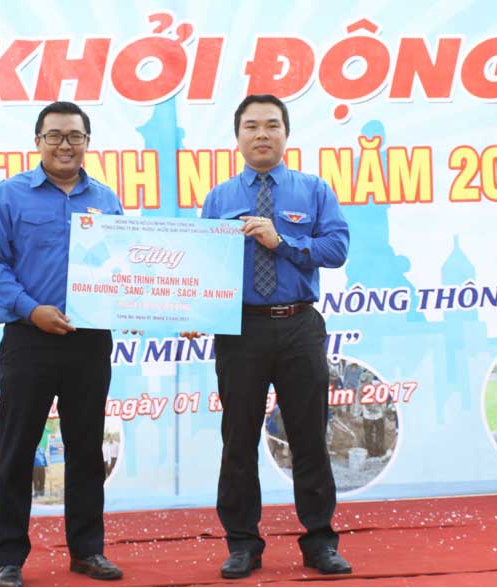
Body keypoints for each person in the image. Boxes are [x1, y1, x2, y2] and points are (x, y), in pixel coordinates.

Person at [185, 94, 351, 578]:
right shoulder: (219, 198)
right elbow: (201, 263)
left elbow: (337, 249)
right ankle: (242, 543)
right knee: (237, 440)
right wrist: (194, 308)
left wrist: (282, 241)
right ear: (237, 137)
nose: (262, 134)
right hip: (241, 329)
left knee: (308, 437)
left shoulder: (313, 190)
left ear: (286, 133)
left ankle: (319, 541)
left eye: (272, 125)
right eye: (252, 126)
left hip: (299, 325)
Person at [0, 101, 124, 586]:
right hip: (28, 339)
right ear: (38, 141)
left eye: (75, 136)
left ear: (87, 142)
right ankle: (8, 558)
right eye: (54, 135)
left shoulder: (106, 200)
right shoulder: (9, 195)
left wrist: (151, 307)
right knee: (17, 449)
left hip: (89, 342)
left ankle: (87, 551)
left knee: (86, 450)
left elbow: (124, 267)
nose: (65, 145)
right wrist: (29, 308)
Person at [359, 371, 385, 458]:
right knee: (368, 435)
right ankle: (371, 453)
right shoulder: (361, 388)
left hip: (378, 415)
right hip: (367, 416)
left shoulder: (378, 385)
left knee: (380, 434)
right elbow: (361, 401)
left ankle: (380, 452)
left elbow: (383, 397)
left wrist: (378, 404)